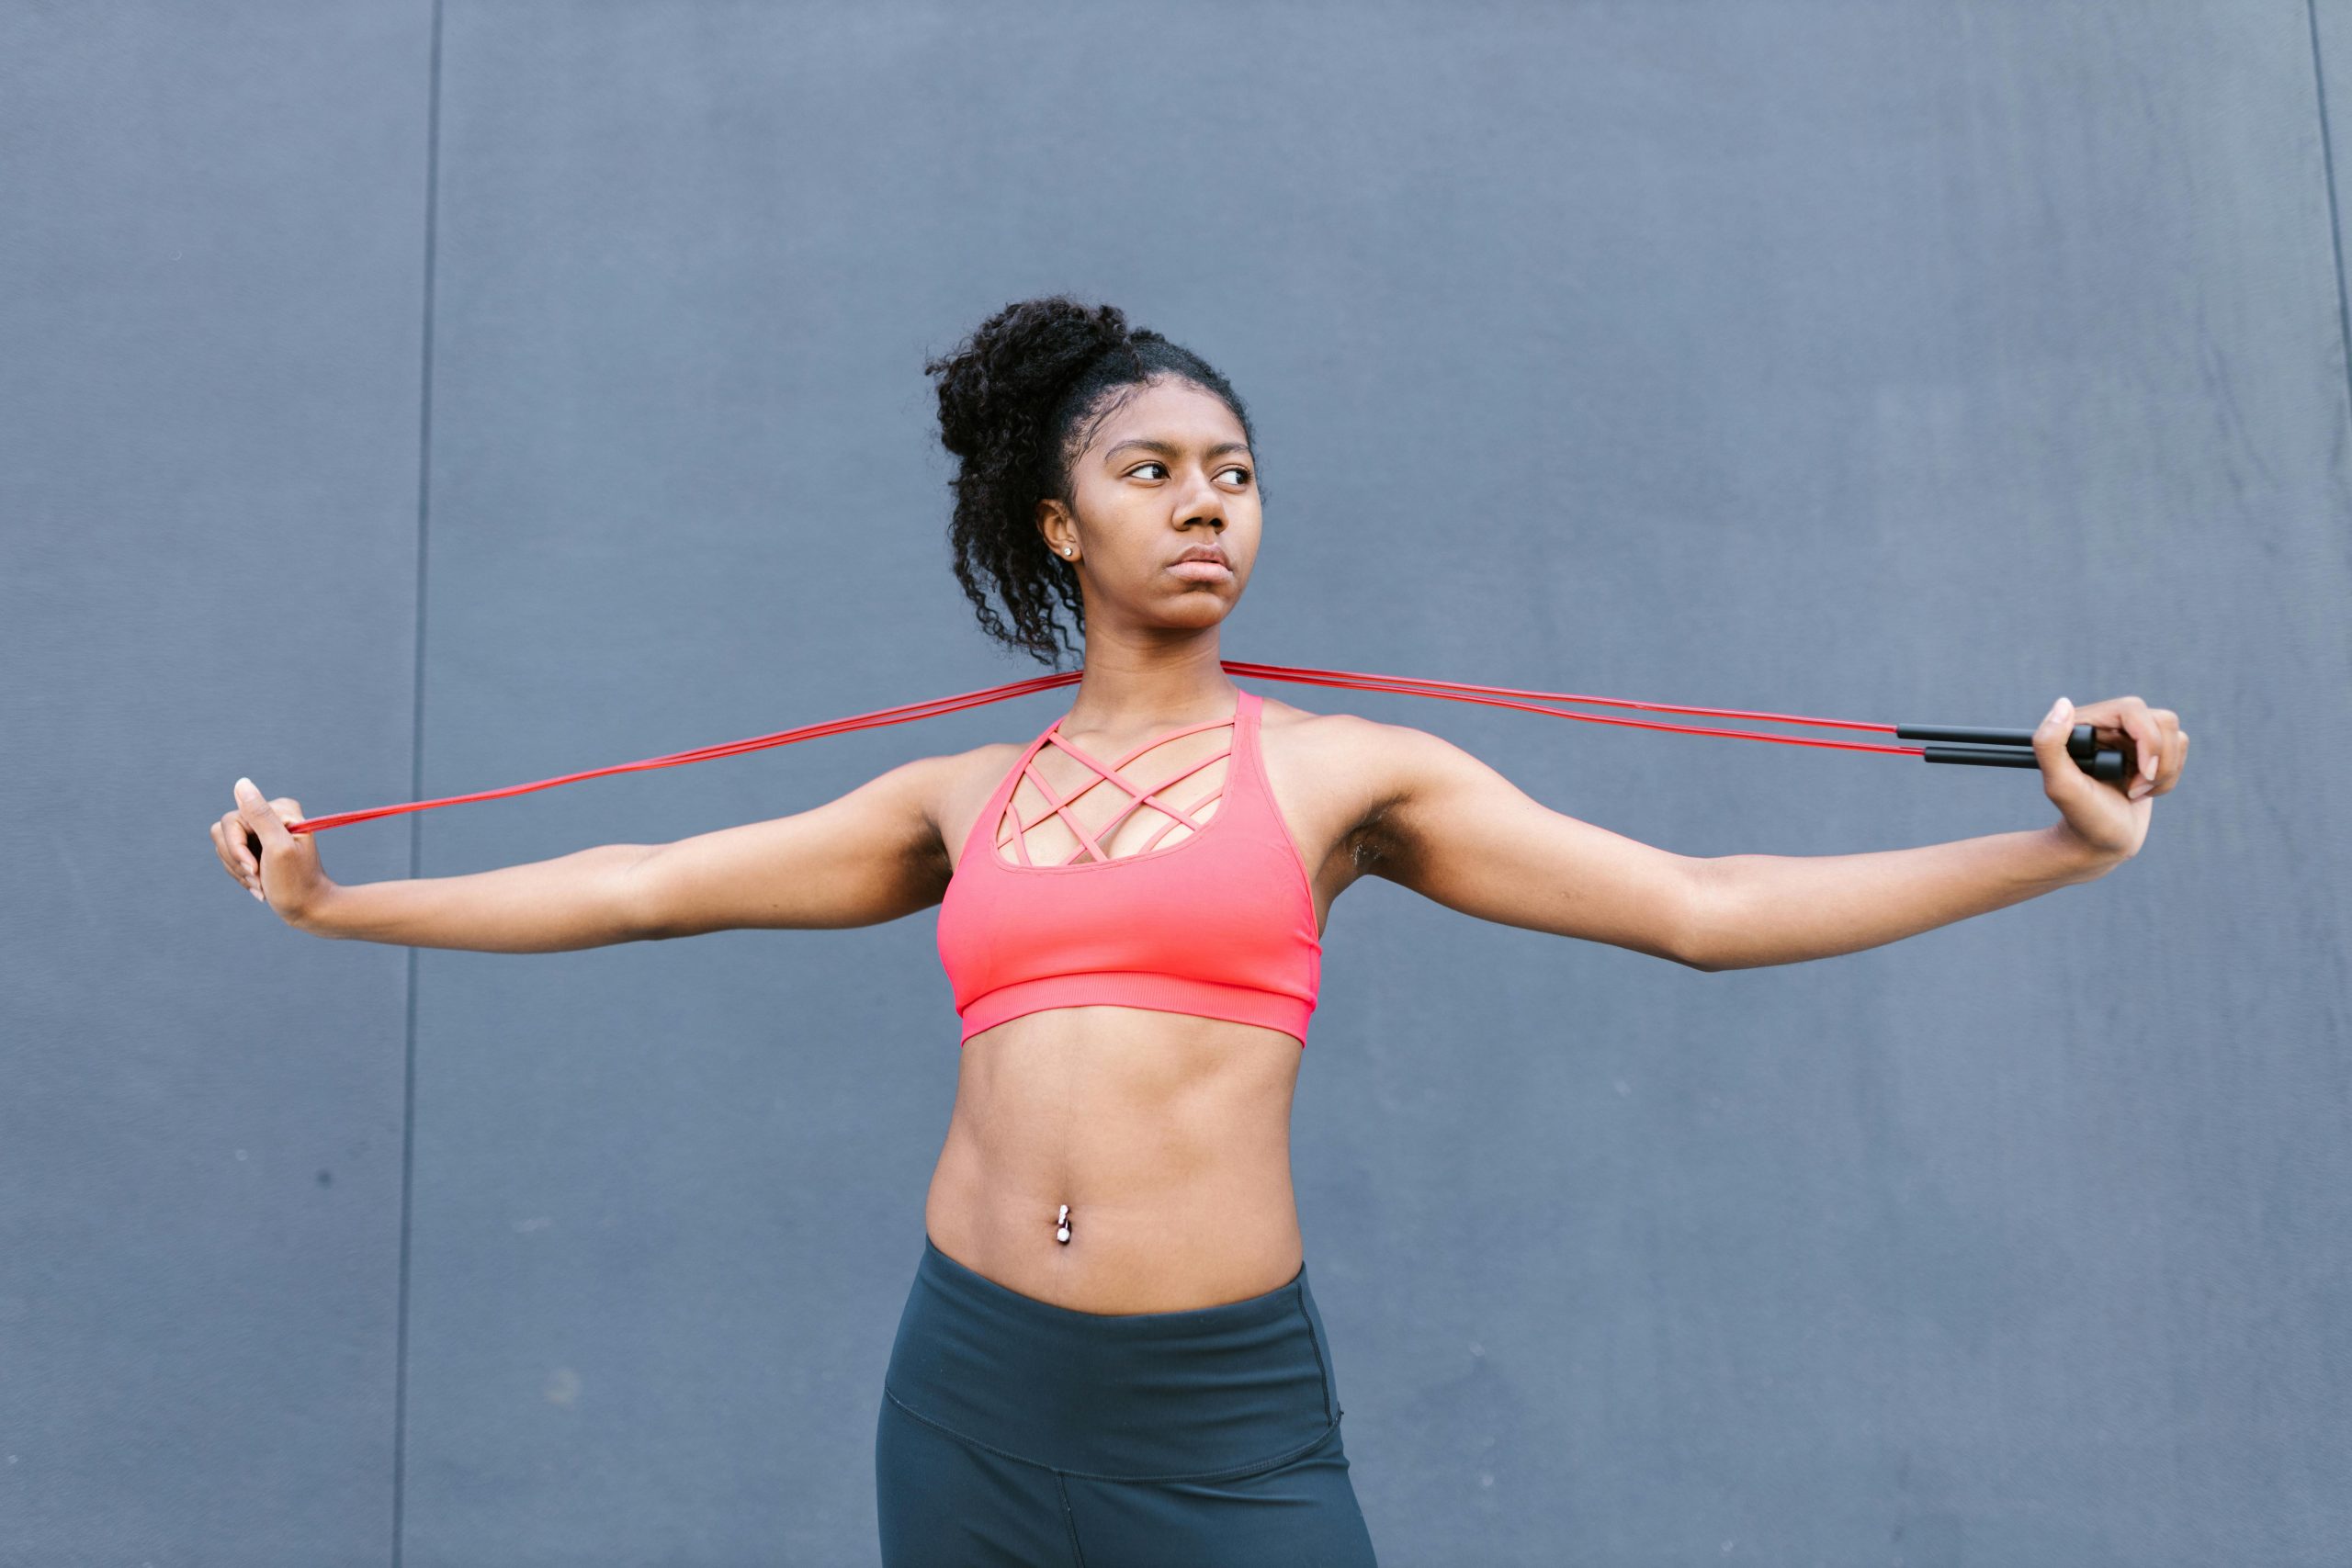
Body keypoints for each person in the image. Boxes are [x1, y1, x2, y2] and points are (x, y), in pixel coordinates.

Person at [209, 294, 2188, 1565]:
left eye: (1231, 472)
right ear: (1055, 523)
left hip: (1214, 1418)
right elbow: (635, 886)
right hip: (964, 1389)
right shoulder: (957, 802)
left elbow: (1698, 906)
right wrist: (333, 900)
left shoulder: (1341, 778)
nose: (1203, 505)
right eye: (1147, 471)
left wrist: (2056, 849)